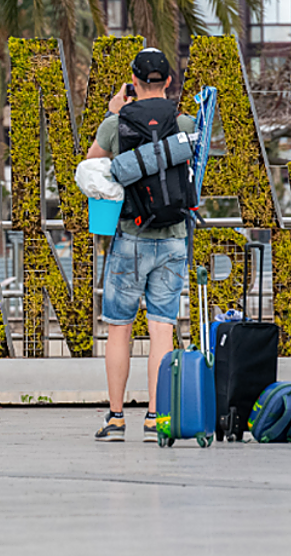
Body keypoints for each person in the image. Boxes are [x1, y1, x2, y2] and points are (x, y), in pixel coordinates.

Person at [85, 48, 195, 442]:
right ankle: (156, 417)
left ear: (132, 81)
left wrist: (114, 114)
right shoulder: (186, 123)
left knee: (119, 328)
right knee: (162, 327)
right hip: (174, 239)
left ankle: (115, 418)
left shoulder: (116, 124)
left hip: (130, 237)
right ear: (168, 81)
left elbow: (92, 168)